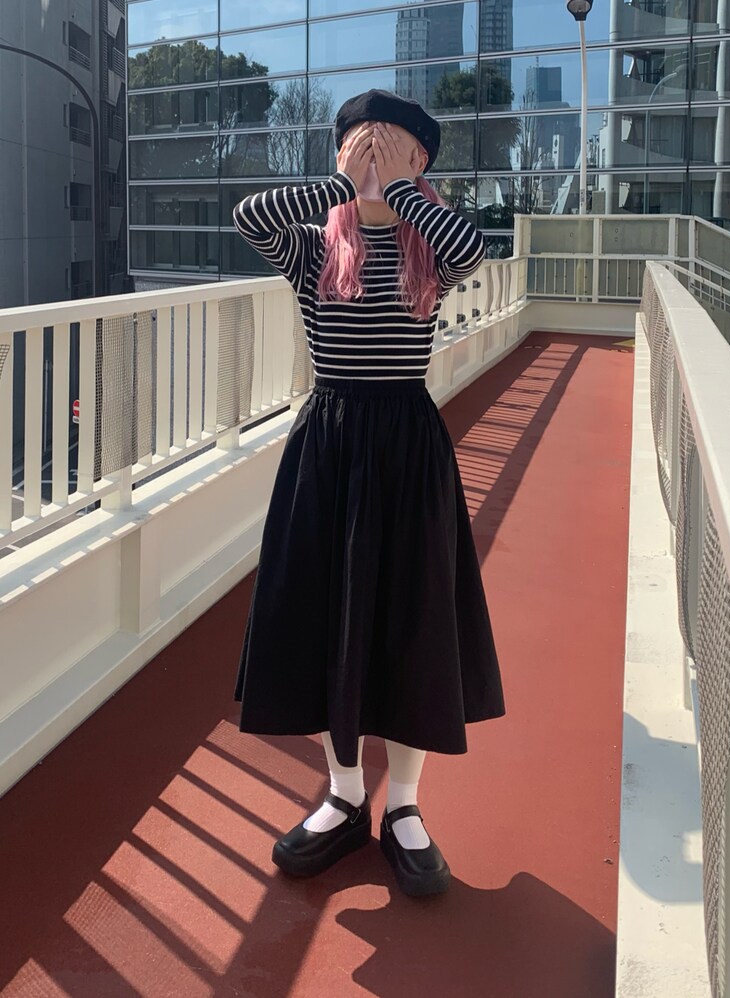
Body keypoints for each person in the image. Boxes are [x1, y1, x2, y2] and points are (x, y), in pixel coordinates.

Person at [232, 88, 505, 898]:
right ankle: (346, 795)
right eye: (360, 144)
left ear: (422, 163)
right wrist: (344, 189)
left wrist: (403, 195)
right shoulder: (315, 246)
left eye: (392, 147)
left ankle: (406, 805)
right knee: (328, 617)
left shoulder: (432, 248)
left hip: (408, 447)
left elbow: (476, 248)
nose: (373, 157)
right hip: (330, 442)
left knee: (412, 617)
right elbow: (249, 216)